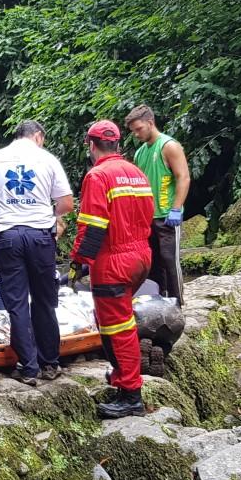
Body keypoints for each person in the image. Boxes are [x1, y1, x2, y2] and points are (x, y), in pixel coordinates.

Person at [0, 121, 74, 385]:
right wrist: (44, 213)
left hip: (7, 236)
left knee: (17, 303)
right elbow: (66, 204)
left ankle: (29, 368)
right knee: (44, 300)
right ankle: (50, 364)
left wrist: (6, 213)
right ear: (38, 137)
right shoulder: (47, 159)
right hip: (40, 236)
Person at [71, 120, 156, 419]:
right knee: (114, 322)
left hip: (114, 261)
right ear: (118, 144)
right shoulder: (137, 174)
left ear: (91, 145)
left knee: (118, 328)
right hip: (141, 255)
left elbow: (93, 226)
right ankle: (121, 377)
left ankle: (131, 395)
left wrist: (79, 261)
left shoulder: (98, 176)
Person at [124, 105, 189, 306]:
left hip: (167, 215)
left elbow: (183, 177)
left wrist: (176, 208)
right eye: (133, 131)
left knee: (169, 261)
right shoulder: (140, 153)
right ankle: (157, 302)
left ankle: (177, 303)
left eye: (138, 129)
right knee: (151, 263)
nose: (135, 134)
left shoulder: (169, 145)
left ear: (150, 123)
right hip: (146, 218)